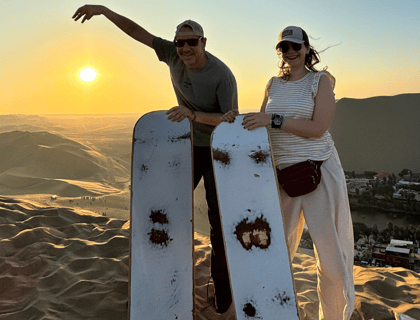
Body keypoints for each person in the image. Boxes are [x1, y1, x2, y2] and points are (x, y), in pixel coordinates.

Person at [72, 5, 237, 313]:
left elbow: (231, 120)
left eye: (192, 41)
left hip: (215, 149)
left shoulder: (221, 74)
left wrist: (193, 115)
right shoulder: (172, 55)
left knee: (218, 221)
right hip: (185, 147)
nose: (185, 48)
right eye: (180, 42)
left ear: (204, 42)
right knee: (166, 209)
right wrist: (105, 11)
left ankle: (223, 293)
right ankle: (161, 282)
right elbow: (138, 32)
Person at [222, 26, 355, 319]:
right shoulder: (272, 84)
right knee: (275, 252)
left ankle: (334, 316)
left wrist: (276, 120)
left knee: (331, 258)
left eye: (296, 45)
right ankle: (271, 312)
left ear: (307, 49)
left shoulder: (321, 82)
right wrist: (237, 118)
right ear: (279, 51)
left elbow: (318, 128)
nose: (290, 51)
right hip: (283, 176)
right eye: (284, 47)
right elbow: (262, 122)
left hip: (319, 171)